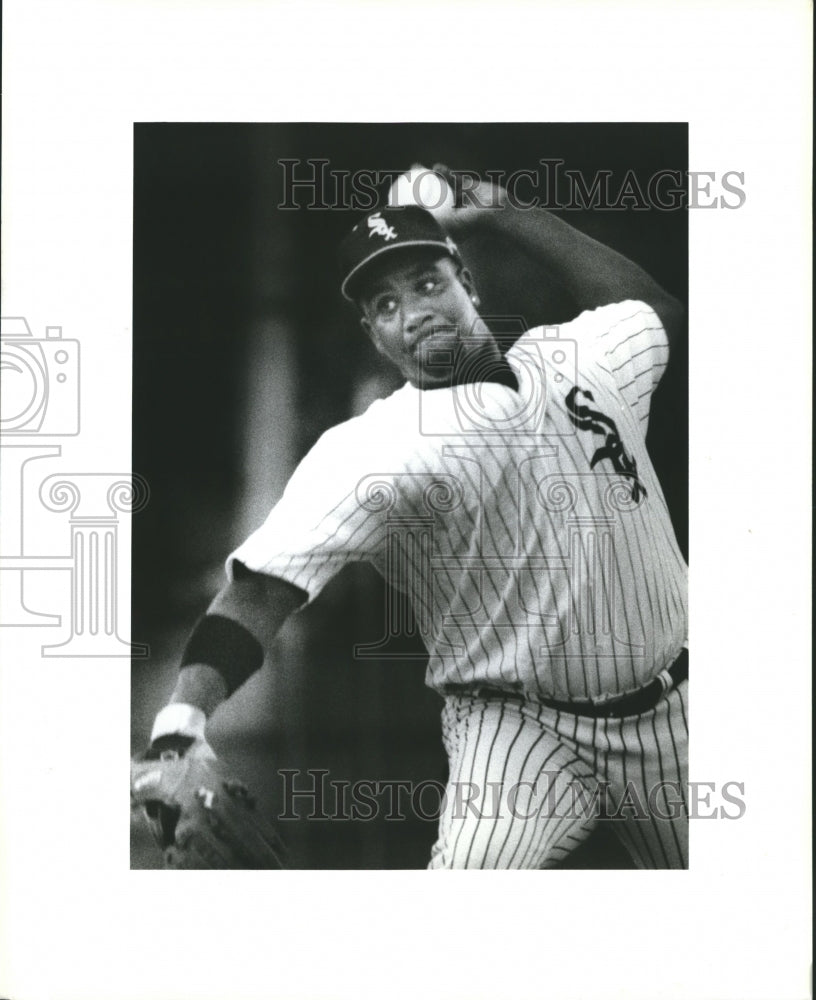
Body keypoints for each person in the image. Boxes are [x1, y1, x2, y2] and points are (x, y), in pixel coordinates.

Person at [139, 167, 688, 869]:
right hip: (516, 732)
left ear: (469, 283)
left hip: (678, 708)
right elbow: (260, 590)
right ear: (374, 333)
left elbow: (655, 311)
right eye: (387, 303)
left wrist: (509, 212)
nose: (414, 311)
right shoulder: (371, 449)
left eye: (428, 284)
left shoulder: (580, 356)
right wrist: (180, 723)